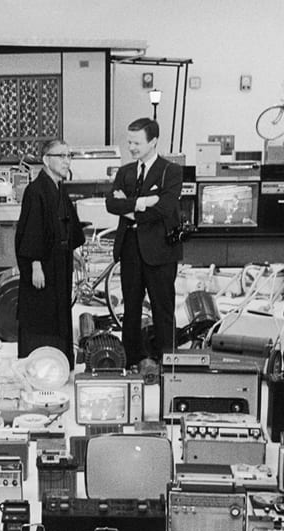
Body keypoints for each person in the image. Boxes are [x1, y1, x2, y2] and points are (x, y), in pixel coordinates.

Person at [106, 118, 183, 374]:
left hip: (160, 252)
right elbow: (111, 205)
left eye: (137, 142)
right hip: (130, 249)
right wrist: (142, 202)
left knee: (163, 308)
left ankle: (167, 361)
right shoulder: (125, 171)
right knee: (131, 308)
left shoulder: (170, 171)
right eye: (129, 142)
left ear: (153, 142)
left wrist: (129, 204)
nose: (132, 147)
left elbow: (165, 208)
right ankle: (131, 359)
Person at [14, 139, 86, 368]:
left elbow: (65, 226)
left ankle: (60, 362)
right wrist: (35, 265)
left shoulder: (59, 188)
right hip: (43, 264)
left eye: (69, 156)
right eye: (61, 156)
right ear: (46, 160)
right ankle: (40, 364)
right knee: (42, 312)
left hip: (60, 261)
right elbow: (32, 229)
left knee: (59, 310)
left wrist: (72, 251)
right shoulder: (35, 191)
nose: (67, 161)